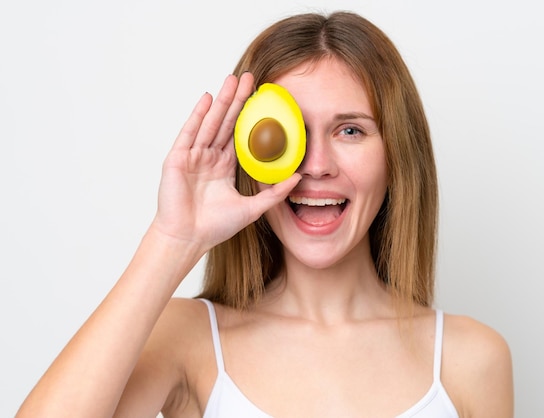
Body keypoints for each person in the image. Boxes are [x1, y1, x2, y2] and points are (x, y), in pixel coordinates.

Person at [17, 11, 513, 418]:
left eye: (350, 131)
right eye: (287, 130)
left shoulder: (470, 360)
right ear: (248, 153)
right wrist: (173, 238)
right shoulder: (189, 340)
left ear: (397, 156)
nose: (316, 166)